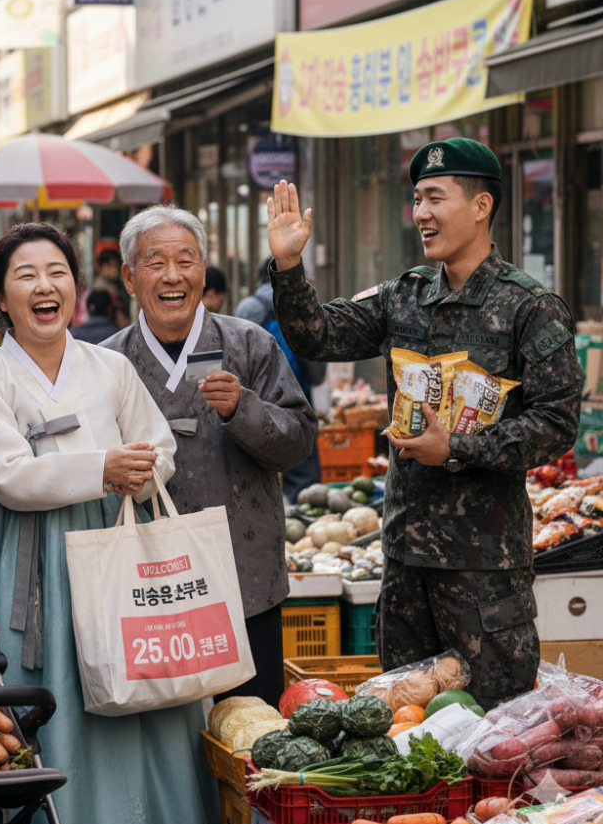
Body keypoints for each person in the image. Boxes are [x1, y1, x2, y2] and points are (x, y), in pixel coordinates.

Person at [266, 137, 583, 709]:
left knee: (492, 724)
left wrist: (458, 447)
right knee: (407, 725)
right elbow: (317, 335)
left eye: (435, 198)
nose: (421, 214)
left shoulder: (529, 308)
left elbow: (557, 424)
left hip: (484, 570)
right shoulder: (403, 296)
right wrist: (289, 267)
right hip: (405, 561)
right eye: (416, 200)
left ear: (481, 206)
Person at [0, 222, 217, 824]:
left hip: (116, 543)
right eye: (25, 276)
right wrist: (101, 467)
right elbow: (10, 476)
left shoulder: (110, 367)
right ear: (0, 297)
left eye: (57, 273)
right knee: (44, 698)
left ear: (75, 287)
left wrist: (142, 467)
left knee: (140, 686)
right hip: (28, 553)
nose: (45, 287)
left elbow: (158, 446)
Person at [102, 205, 318, 708]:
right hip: (150, 588)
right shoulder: (108, 362)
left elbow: (299, 441)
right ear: (130, 277)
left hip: (246, 579)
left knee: (251, 730)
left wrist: (244, 409)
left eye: (187, 260)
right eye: (155, 263)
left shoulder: (249, 344)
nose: (173, 276)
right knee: (164, 735)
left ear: (203, 270)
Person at [236, 259, 327, 501]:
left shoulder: (248, 307)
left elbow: (236, 353)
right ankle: (304, 509)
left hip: (257, 396)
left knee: (259, 454)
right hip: (297, 392)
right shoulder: (301, 303)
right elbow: (315, 350)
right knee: (301, 453)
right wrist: (317, 378)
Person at [93, 246, 131, 327]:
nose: (115, 270)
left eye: (117, 266)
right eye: (112, 265)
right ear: (103, 266)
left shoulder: (118, 285)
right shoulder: (100, 287)